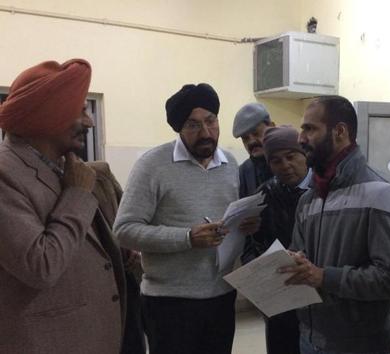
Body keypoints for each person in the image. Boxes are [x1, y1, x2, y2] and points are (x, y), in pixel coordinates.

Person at [113, 83, 258, 354]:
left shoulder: (230, 164)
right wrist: (187, 237)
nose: (205, 132)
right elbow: (124, 230)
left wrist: (245, 226)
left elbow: (231, 221)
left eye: (211, 121)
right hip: (169, 304)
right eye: (193, 125)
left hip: (221, 298)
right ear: (179, 128)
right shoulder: (153, 165)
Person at [0, 59, 125, 353]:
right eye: (81, 110)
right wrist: (79, 194)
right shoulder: (5, 174)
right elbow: (40, 265)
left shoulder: (62, 166)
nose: (90, 122)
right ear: (49, 115)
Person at [279, 95, 390, 354]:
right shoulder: (309, 199)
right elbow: (300, 255)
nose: (301, 138)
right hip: (308, 339)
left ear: (339, 131)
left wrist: (324, 277)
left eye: (310, 128)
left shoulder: (383, 195)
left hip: (359, 345)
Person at [242, 125, 312, 354]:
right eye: (276, 161)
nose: (285, 166)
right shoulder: (263, 197)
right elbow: (249, 249)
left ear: (304, 155)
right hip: (281, 296)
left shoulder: (327, 190)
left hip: (321, 292)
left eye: (291, 157)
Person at [87, 161, 146, 354]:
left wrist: (134, 248)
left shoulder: (99, 173)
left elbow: (129, 221)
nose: (87, 128)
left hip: (122, 281)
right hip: (83, 290)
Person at [232, 102, 275, 197]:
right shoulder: (242, 173)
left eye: (256, 134)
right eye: (245, 138)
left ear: (272, 127)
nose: (251, 142)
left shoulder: (292, 160)